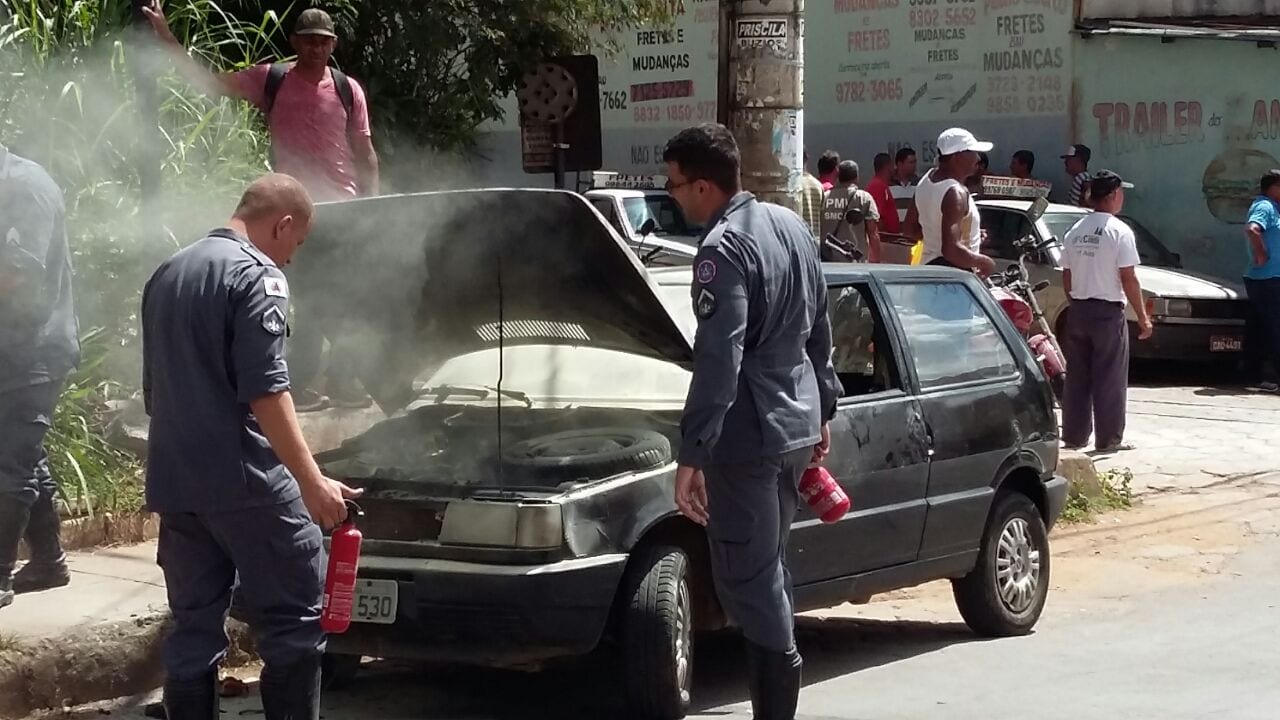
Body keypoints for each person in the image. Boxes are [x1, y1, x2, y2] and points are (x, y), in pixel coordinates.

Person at [141, 174, 361, 720]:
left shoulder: (168, 272)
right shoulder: (256, 275)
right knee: (294, 626)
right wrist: (312, 483)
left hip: (176, 484)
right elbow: (265, 389)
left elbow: (154, 393)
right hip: (246, 482)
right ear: (282, 224)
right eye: (296, 244)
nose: (290, 260)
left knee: (193, 631)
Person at [662, 123, 840, 720]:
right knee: (770, 571)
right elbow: (820, 329)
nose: (674, 196)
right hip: (793, 425)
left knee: (750, 582)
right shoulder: (789, 225)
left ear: (705, 186)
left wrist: (693, 452)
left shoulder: (722, 250)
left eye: (677, 185)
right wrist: (825, 408)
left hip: (749, 435)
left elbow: (720, 358)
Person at [143, 3, 378, 410]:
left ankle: (340, 383)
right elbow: (210, 84)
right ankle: (300, 387)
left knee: (355, 296)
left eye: (323, 42)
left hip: (348, 210)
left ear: (334, 44)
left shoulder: (346, 87)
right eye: (308, 41)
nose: (316, 49)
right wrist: (166, 39)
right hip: (293, 212)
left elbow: (365, 151)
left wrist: (376, 206)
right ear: (294, 42)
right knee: (304, 296)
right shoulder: (271, 79)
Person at [0, 145, 79, 610]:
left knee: (8, 462)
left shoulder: (24, 186)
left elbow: (17, 272)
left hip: (34, 352)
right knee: (23, 454)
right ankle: (48, 561)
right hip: (10, 349)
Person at [1059, 170, 1153, 452]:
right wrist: (1144, 318)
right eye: (1121, 192)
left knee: (1077, 377)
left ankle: (1074, 436)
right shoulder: (1119, 231)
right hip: (1108, 312)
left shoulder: (1076, 230)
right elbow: (1128, 278)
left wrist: (1075, 301)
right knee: (1110, 378)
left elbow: (1067, 274)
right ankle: (1108, 439)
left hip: (1078, 310)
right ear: (1112, 195)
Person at [903, 128, 996, 276]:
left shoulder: (926, 181)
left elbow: (909, 229)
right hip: (953, 278)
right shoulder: (955, 193)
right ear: (957, 157)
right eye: (972, 152)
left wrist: (966, 233)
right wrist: (985, 263)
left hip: (928, 271)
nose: (978, 158)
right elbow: (951, 251)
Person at [1242, 170, 1280, 393]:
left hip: (1270, 278)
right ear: (1272, 187)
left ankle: (1255, 373)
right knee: (1273, 326)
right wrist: (1262, 255)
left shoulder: (1274, 208)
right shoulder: (1264, 206)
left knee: (1261, 326)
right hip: (1267, 278)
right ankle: (1270, 375)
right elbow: (1253, 229)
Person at [820, 160, 882, 262]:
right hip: (856, 263)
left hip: (828, 262)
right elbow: (873, 233)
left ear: (838, 176)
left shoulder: (825, 197)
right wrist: (876, 262)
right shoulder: (864, 198)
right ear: (856, 177)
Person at [865, 153, 901, 236]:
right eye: (893, 165)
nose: (895, 168)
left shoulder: (881, 185)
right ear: (887, 166)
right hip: (886, 241)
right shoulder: (878, 186)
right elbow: (875, 218)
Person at [796, 152, 825, 238]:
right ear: (807, 160)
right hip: (814, 242)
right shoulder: (818, 185)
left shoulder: (791, 186)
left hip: (797, 240)